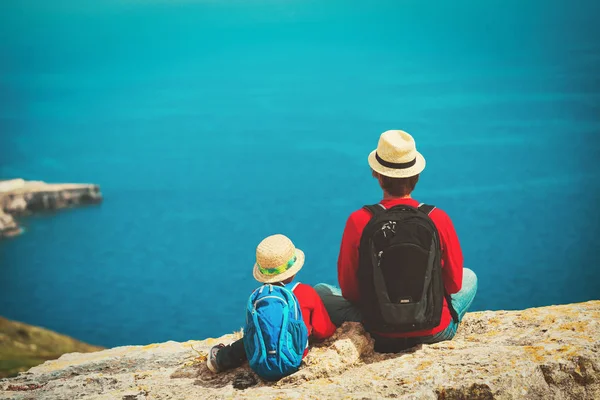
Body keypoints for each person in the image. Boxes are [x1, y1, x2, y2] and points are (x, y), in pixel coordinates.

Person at [315, 130, 477, 353]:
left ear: (377, 175)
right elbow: (454, 285)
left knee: (320, 292)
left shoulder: (359, 220)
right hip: (434, 330)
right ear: (416, 176)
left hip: (379, 331)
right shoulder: (438, 218)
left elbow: (350, 291)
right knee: (469, 277)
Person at [207, 234, 336, 374]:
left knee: (249, 340)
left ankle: (220, 359)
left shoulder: (257, 295)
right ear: (293, 271)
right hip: (296, 357)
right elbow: (324, 331)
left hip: (260, 360)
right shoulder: (307, 292)